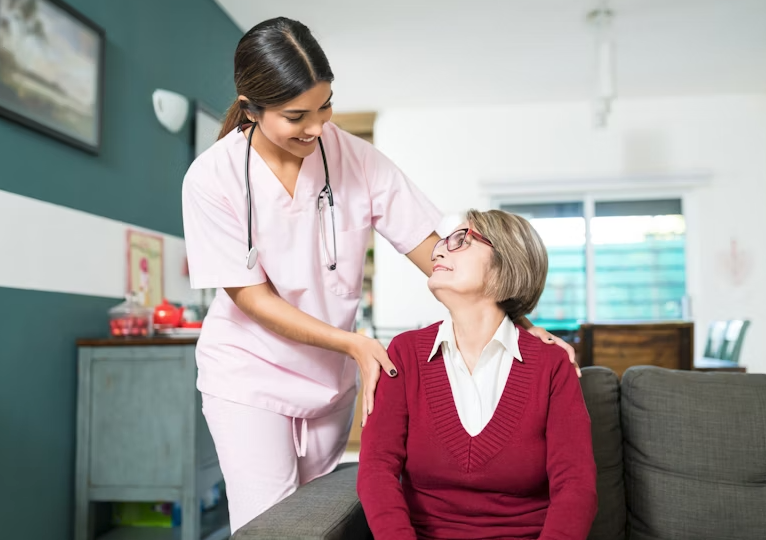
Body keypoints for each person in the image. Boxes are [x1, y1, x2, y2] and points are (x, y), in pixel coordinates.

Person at [181, 17, 579, 533]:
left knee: (320, 523)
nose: (317, 127)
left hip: (327, 379)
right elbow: (250, 297)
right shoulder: (212, 178)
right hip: (248, 372)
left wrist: (520, 326)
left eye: (325, 106)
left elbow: (439, 253)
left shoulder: (355, 158)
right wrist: (352, 342)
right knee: (271, 527)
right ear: (251, 108)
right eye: (296, 115)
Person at [358, 209, 598, 540]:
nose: (438, 250)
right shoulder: (403, 354)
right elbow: (376, 472)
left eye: (461, 240)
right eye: (442, 242)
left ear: (505, 263)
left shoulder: (552, 366)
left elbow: (576, 487)